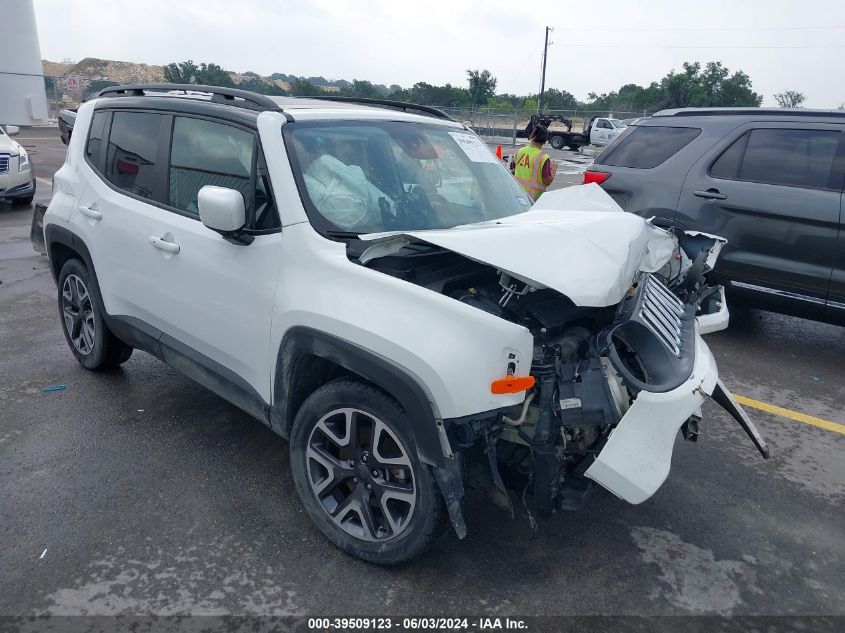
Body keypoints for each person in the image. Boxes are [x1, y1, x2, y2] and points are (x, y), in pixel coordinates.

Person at [294, 136, 394, 231]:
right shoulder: (305, 183)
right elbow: (350, 215)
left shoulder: (326, 164)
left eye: (352, 144)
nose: (348, 149)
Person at [509, 124, 557, 202]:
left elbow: (513, 168)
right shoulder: (543, 157)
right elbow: (547, 181)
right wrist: (554, 170)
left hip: (517, 195)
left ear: (532, 136)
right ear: (545, 141)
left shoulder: (519, 151)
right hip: (533, 199)